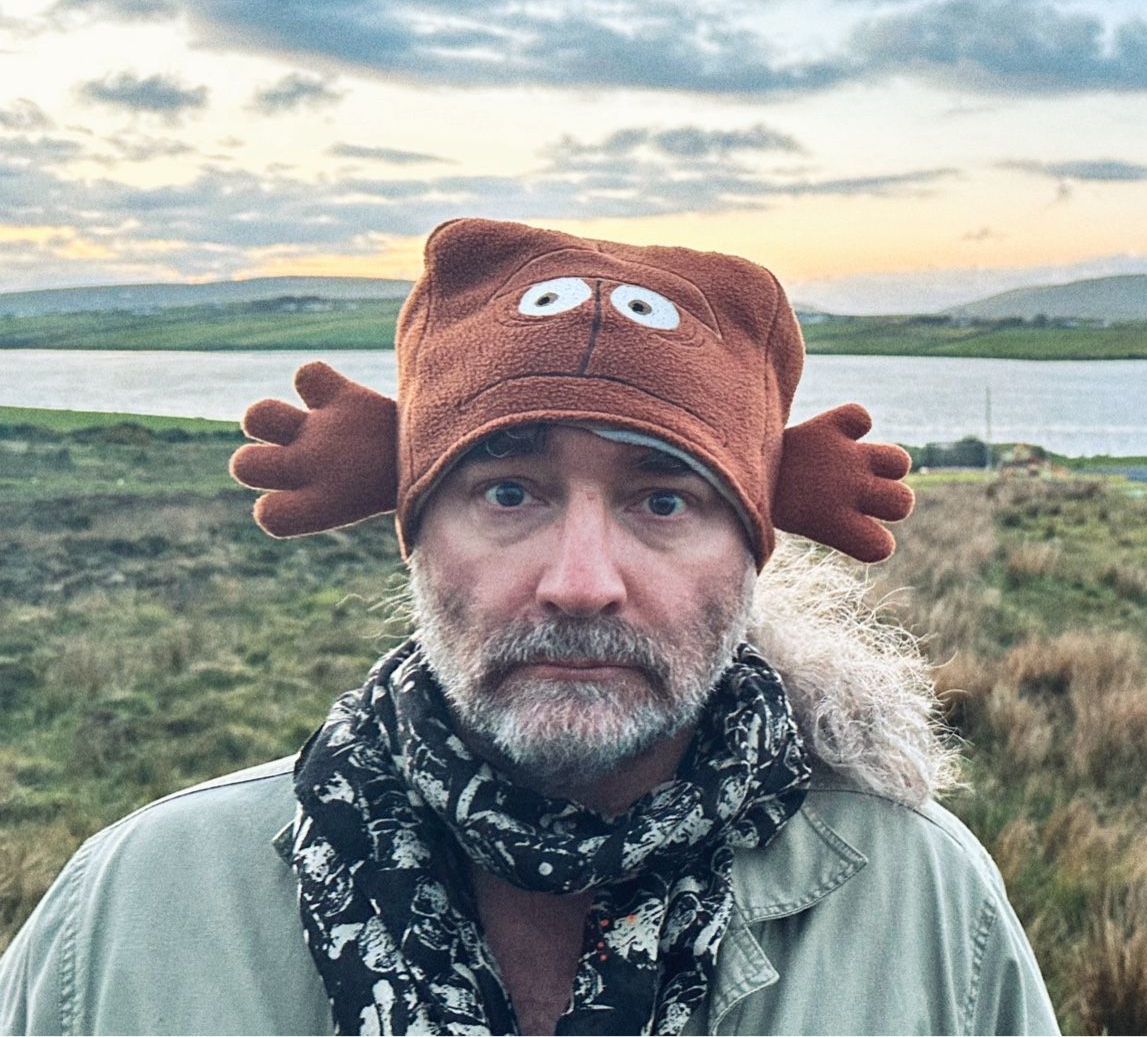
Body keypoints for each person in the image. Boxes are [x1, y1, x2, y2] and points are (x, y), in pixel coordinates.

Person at [0, 218, 1060, 1035]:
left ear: (751, 548)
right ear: (414, 532)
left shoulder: (925, 913)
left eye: (664, 500)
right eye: (508, 492)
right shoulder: (130, 912)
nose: (580, 581)